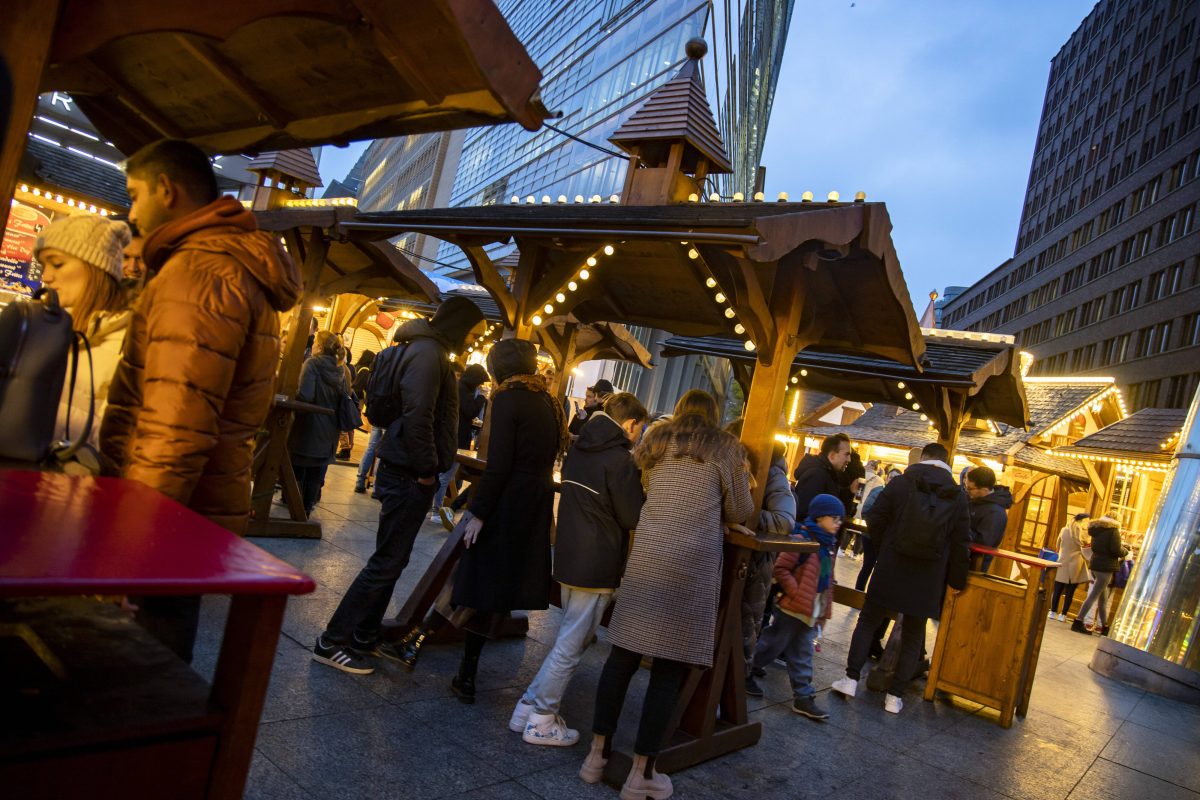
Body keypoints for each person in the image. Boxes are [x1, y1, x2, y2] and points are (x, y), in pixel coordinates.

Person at [100, 139, 301, 663]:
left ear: (166, 190)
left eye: (134, 193)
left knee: (139, 674)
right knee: (160, 665)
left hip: (166, 514)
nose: (131, 210)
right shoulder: (223, 263)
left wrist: (131, 543)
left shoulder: (199, 270)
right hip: (194, 501)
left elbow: (175, 423)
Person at [579, 389, 753, 798]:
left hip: (648, 555)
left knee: (620, 656)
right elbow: (739, 511)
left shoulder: (656, 440)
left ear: (677, 411)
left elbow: (645, 488)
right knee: (668, 668)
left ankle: (595, 757)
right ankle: (641, 774)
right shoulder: (726, 448)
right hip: (690, 568)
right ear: (713, 417)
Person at [312, 296, 483, 674]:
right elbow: (419, 413)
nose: (472, 341)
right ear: (457, 324)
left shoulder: (422, 348)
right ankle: (331, 640)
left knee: (392, 559)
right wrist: (426, 468)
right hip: (408, 469)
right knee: (386, 561)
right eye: (472, 332)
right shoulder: (428, 354)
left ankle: (363, 634)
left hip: (405, 465)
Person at [395, 338, 568, 704]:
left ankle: (426, 647)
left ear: (499, 367)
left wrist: (479, 513)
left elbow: (499, 464)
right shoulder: (549, 401)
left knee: (474, 579)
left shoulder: (507, 398)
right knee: (493, 589)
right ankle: (449, 664)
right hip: (534, 506)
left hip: (504, 504)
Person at [510, 392, 647, 746]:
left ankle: (527, 707)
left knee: (569, 639)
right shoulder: (620, 460)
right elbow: (633, 516)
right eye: (640, 428)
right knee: (571, 646)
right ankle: (541, 719)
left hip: (569, 555)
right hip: (597, 562)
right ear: (630, 424)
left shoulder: (579, 449)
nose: (640, 435)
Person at [831, 442, 970, 715]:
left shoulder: (901, 483)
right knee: (913, 634)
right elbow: (961, 542)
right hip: (928, 575)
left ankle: (850, 679)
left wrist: (886, 548)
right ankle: (894, 697)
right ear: (946, 462)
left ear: (924, 457)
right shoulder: (958, 495)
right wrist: (956, 581)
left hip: (891, 566)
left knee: (869, 620)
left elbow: (875, 516)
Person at [35, 214, 131, 452]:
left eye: (57, 263)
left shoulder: (128, 340)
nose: (46, 276)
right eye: (43, 265)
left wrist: (32, 412)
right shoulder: (42, 326)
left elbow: (117, 439)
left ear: (95, 268)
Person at [746, 493, 844, 720]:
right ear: (819, 517)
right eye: (834, 518)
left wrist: (823, 611)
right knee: (774, 643)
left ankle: (803, 695)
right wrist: (796, 592)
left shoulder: (828, 546)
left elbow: (828, 581)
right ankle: (745, 670)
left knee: (800, 651)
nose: (838, 523)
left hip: (810, 609)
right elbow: (781, 568)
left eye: (840, 519)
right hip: (792, 607)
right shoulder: (803, 539)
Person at [723, 419, 795, 678]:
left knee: (740, 631)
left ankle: (731, 686)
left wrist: (740, 515)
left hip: (752, 566)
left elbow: (783, 521)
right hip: (723, 557)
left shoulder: (773, 473)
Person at [288, 331, 349, 515]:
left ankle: (294, 506)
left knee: (297, 466)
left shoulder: (312, 364)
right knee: (316, 471)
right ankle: (305, 509)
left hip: (309, 424)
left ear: (320, 347)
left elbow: (306, 395)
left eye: (315, 342)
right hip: (330, 428)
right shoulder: (342, 369)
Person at [431, 362, 490, 529]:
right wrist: (481, 398)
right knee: (445, 477)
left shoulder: (462, 387)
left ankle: (435, 508)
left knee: (445, 476)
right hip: (455, 439)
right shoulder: (462, 390)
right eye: (480, 382)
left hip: (454, 437)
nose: (481, 386)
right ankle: (435, 511)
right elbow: (470, 411)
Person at [1071, 517, 1128, 636]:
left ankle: (1105, 627)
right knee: (1094, 596)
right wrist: (1126, 551)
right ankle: (1078, 621)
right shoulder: (1113, 531)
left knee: (1103, 598)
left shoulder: (1097, 530)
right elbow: (1116, 550)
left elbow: (1095, 547)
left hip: (1096, 564)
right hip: (1106, 567)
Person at [964, 466, 1013, 572]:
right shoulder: (975, 500)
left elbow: (984, 543)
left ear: (984, 490)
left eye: (970, 488)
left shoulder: (995, 512)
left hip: (973, 565)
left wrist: (960, 526)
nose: (967, 491)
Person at [793, 432, 852, 517]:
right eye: (846, 454)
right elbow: (804, 512)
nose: (849, 460)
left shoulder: (828, 474)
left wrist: (850, 491)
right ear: (832, 455)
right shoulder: (816, 475)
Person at [1050, 513, 1091, 621]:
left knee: (1057, 589)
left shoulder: (1064, 530)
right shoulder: (1082, 534)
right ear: (1082, 521)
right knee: (1070, 591)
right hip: (1076, 563)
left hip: (1063, 561)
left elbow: (1058, 545)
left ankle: (1053, 612)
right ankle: (1063, 615)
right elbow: (1086, 548)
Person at [853, 460, 886, 590]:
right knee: (872, 565)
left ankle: (858, 590)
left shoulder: (863, 477)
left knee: (867, 564)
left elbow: (859, 495)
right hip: (872, 528)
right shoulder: (879, 482)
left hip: (859, 510)